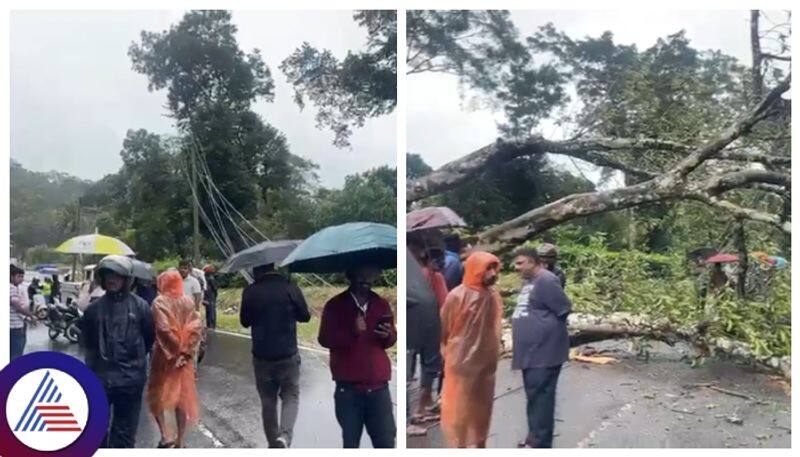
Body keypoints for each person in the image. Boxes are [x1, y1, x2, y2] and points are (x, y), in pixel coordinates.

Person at [79, 255, 155, 448]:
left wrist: (133, 364)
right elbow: (87, 343)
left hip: (130, 380)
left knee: (125, 433)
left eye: (117, 275)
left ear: (127, 279)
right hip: (99, 379)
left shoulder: (141, 307)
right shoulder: (93, 311)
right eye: (108, 275)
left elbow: (148, 339)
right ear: (102, 279)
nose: (112, 279)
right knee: (96, 431)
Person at [318, 265, 397, 448]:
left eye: (371, 276)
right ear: (350, 276)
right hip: (349, 390)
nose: (366, 281)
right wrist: (351, 332)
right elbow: (324, 339)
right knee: (351, 443)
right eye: (361, 275)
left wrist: (388, 335)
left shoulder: (381, 304)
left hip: (378, 387)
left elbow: (391, 339)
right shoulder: (335, 306)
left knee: (386, 442)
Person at [240, 263, 311, 448]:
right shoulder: (289, 287)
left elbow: (244, 321)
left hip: (262, 356)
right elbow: (305, 316)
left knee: (268, 401)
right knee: (291, 395)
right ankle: (285, 437)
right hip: (287, 354)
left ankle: (273, 445)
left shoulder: (251, 291)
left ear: (258, 270)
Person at [439, 251, 503, 448]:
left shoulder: (493, 296)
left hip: (485, 364)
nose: (492, 273)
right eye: (487, 268)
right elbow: (445, 328)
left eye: (494, 268)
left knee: (481, 408)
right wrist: (446, 352)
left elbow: (495, 328)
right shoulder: (457, 296)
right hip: (461, 363)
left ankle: (479, 443)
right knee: (460, 408)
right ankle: (459, 445)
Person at [511, 248, 572, 448]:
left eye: (520, 263)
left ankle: (540, 443)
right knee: (534, 395)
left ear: (532, 262)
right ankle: (533, 436)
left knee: (542, 398)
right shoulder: (529, 281)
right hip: (531, 353)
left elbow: (563, 308)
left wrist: (544, 331)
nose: (516, 267)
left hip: (544, 352)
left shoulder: (546, 280)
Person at [147, 269, 203, 448]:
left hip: (163, 356)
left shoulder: (159, 302)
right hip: (184, 358)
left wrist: (174, 350)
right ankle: (180, 440)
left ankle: (165, 435)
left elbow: (162, 329)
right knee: (181, 397)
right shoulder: (187, 301)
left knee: (156, 393)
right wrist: (185, 352)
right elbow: (196, 327)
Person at [407, 240, 446, 435]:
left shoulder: (411, 276)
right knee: (430, 367)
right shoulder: (433, 276)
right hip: (431, 327)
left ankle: (422, 407)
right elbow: (443, 303)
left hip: (412, 328)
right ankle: (421, 408)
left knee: (412, 369)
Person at [10, 264, 37, 360]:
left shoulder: (18, 287)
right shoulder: (12, 288)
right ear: (11, 276)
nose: (21, 279)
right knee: (16, 353)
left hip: (18, 322)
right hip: (15, 325)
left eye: (22, 276)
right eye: (18, 276)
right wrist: (31, 316)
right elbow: (18, 307)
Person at [202, 265, 219, 330]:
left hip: (210, 296)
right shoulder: (208, 278)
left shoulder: (210, 278)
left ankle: (211, 325)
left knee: (211, 311)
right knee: (209, 311)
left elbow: (214, 288)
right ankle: (210, 325)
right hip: (209, 296)